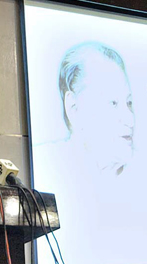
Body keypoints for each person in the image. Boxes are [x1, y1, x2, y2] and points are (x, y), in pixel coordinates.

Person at [58, 41, 135, 177]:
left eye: (129, 103)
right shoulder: (49, 165)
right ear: (73, 108)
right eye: (113, 103)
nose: (130, 120)